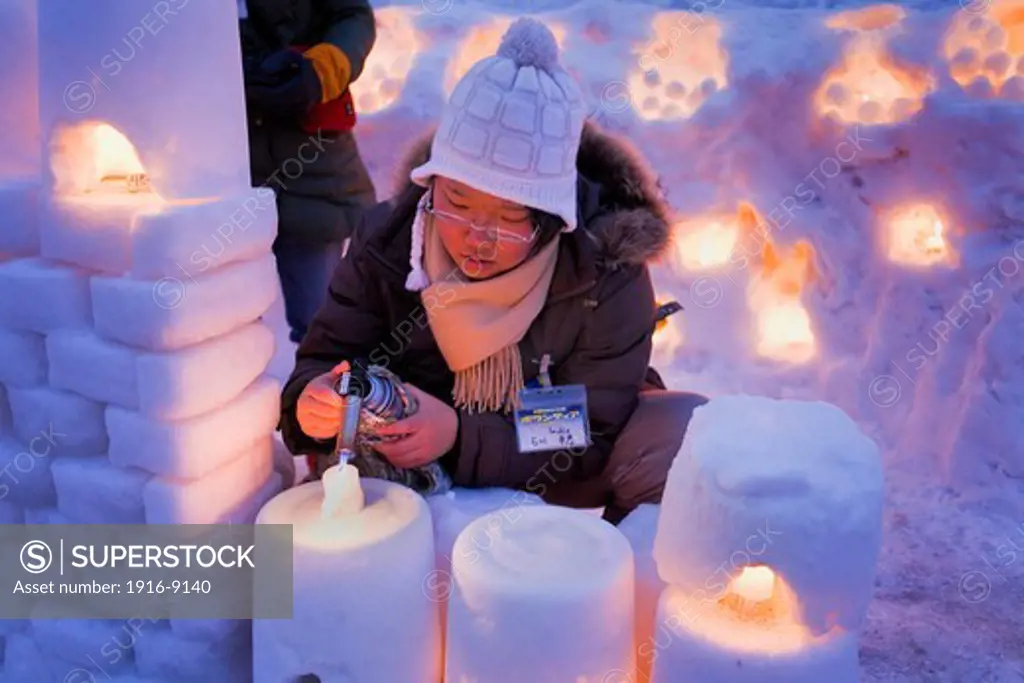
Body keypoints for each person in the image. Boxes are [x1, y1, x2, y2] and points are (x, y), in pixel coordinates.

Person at [278, 18, 708, 523]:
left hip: (545, 466)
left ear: (553, 222)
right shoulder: (390, 243)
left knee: (681, 433)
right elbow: (325, 361)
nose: (478, 238)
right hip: (411, 463)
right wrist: (311, 404)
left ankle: (602, 577)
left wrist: (460, 434)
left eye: (509, 219)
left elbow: (588, 428)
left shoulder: (606, 271)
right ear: (431, 185)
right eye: (457, 203)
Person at [239, 0, 378, 343]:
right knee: (220, 329)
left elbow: (352, 16)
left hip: (313, 177)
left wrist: (320, 71)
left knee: (322, 327)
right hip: (222, 175)